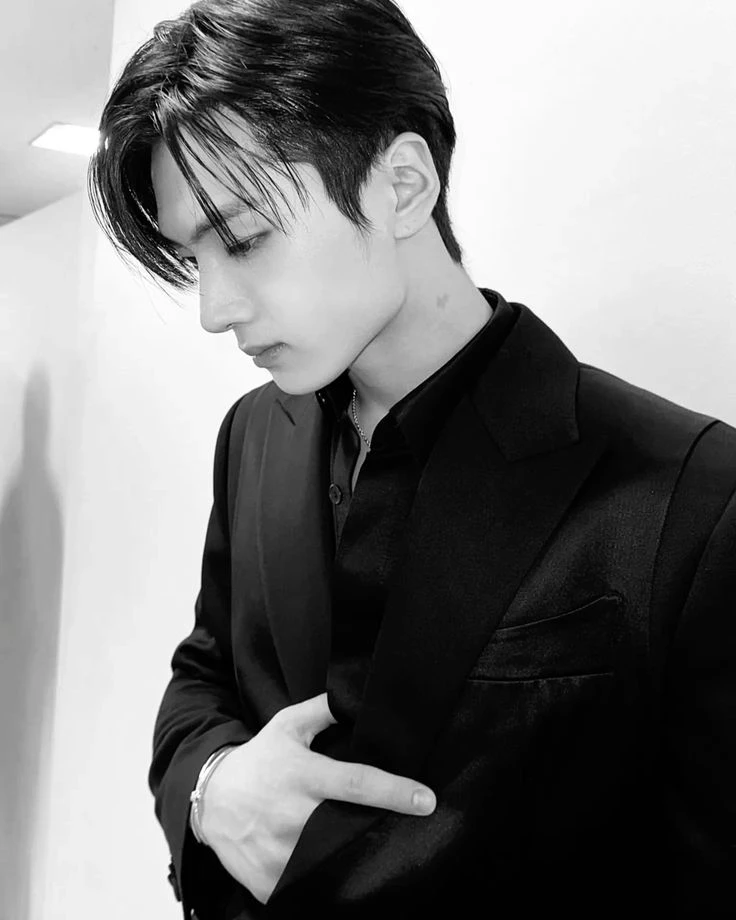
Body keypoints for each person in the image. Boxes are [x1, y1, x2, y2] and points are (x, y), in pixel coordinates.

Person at [87, 0, 736, 917]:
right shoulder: (253, 436)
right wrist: (211, 786)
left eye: (243, 239)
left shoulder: (696, 494)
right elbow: (204, 674)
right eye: (197, 258)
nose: (214, 309)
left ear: (402, 186)